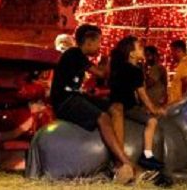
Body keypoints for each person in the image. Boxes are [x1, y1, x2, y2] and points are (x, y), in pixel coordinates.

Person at [50, 24, 134, 183]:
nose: (99, 46)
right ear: (88, 41)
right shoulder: (74, 53)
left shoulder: (79, 57)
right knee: (103, 117)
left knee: (117, 108)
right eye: (98, 42)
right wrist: (110, 59)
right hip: (65, 100)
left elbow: (101, 74)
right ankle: (125, 161)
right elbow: (102, 73)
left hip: (75, 96)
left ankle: (118, 160)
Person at [108, 36, 165, 172]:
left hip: (117, 104)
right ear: (131, 53)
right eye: (139, 47)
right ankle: (147, 154)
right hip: (128, 107)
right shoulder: (135, 71)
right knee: (152, 121)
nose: (143, 49)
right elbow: (142, 94)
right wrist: (153, 109)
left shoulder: (119, 67)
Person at [168, 39, 187, 103]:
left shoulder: (185, 64)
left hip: (180, 106)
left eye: (172, 52)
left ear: (178, 50)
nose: (171, 55)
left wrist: (183, 104)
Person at [144, 44, 169, 110]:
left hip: (156, 101)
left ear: (154, 55)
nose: (146, 58)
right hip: (157, 100)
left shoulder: (156, 67)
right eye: (145, 56)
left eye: (148, 55)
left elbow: (149, 83)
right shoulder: (157, 67)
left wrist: (143, 70)